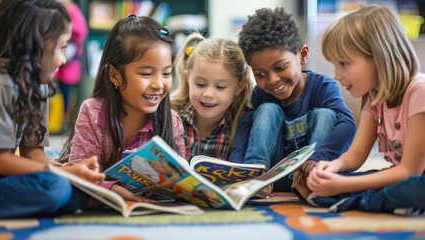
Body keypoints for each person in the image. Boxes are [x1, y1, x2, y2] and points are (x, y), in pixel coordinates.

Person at [307, 5, 425, 215]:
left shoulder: (419, 91)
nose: (335, 75)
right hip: (401, 178)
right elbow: (357, 154)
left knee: (412, 189)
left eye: (343, 63)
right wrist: (332, 168)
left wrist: (341, 186)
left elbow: (410, 172)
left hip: (415, 181)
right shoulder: (375, 96)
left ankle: (364, 201)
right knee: (326, 187)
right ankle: (378, 201)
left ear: (379, 57)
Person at [0, 0, 104, 218]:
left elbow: (33, 152)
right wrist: (62, 173)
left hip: (3, 175)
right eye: (62, 47)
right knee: (56, 188)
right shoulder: (1, 83)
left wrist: (72, 172)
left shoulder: (38, 84)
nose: (64, 60)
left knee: (76, 189)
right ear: (35, 46)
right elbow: (0, 159)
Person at [229, 7, 357, 191]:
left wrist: (317, 157)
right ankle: (253, 174)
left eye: (280, 67)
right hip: (271, 177)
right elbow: (244, 130)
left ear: (303, 55)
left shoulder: (323, 86)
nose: (272, 80)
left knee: (326, 114)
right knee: (267, 109)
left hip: (311, 174)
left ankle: (310, 180)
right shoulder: (260, 94)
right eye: (260, 73)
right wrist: (236, 166)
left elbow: (347, 124)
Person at [63, 15, 186, 202]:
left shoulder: (173, 121)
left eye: (166, 73)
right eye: (146, 73)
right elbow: (82, 174)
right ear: (114, 75)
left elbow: (180, 182)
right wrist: (116, 191)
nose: (159, 84)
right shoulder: (92, 111)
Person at [171, 32, 253, 161]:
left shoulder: (241, 128)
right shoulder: (170, 114)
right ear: (188, 78)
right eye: (200, 84)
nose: (208, 94)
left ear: (240, 85)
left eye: (220, 86)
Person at [51, 0, 88, 132]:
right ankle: (57, 120)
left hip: (70, 59)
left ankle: (65, 120)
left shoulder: (73, 10)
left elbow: (82, 30)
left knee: (66, 90)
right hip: (61, 59)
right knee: (58, 89)